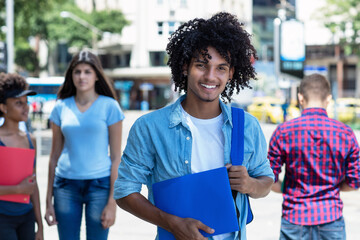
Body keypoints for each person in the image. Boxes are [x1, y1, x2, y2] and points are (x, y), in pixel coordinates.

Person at [114, 12, 274, 240]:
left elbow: (266, 180)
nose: (211, 76)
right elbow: (124, 192)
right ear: (185, 67)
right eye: (202, 65)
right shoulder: (149, 127)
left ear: (231, 74)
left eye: (221, 68)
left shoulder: (246, 125)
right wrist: (170, 222)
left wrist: (249, 184)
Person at [268, 73, 360, 240]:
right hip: (331, 220)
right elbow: (355, 182)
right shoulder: (345, 134)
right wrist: (332, 187)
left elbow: (268, 179)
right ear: (329, 99)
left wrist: (286, 188)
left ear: (300, 98)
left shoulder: (283, 132)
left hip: (293, 219)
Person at [44, 50, 124, 240]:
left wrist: (112, 203)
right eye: (77, 71)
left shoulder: (110, 106)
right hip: (65, 186)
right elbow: (54, 156)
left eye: (87, 71)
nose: (82, 76)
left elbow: (116, 158)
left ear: (97, 75)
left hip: (99, 185)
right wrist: (48, 200)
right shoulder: (60, 107)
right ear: (71, 76)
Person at [0, 73, 43, 240]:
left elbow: (33, 184)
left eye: (26, 103)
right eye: (18, 103)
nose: (26, 108)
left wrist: (39, 225)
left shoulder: (30, 139)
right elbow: (24, 187)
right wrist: (18, 189)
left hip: (26, 216)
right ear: (3, 107)